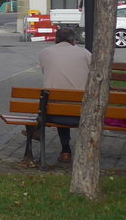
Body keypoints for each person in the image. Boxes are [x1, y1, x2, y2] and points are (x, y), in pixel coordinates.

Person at [37, 26, 91, 163]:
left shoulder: (45, 52)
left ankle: (66, 150)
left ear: (55, 40)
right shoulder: (85, 53)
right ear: (74, 41)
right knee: (69, 102)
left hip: (53, 114)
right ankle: (84, 152)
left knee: (57, 101)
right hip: (82, 112)